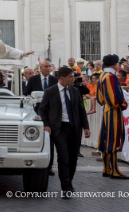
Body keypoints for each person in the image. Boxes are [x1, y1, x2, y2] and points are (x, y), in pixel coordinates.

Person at [39, 67, 90, 199]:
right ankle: (66, 187)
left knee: (73, 158)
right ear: (62, 78)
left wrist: (86, 127)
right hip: (59, 129)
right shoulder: (50, 91)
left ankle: (69, 182)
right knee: (63, 158)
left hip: (74, 128)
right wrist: (46, 124)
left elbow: (81, 110)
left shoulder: (74, 91)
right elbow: (42, 109)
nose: (74, 79)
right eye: (71, 77)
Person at [96, 54, 129, 180]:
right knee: (113, 139)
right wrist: (123, 103)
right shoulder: (111, 77)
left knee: (106, 138)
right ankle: (114, 170)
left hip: (106, 109)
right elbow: (115, 97)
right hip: (113, 110)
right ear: (114, 64)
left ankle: (107, 168)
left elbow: (99, 98)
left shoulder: (101, 76)